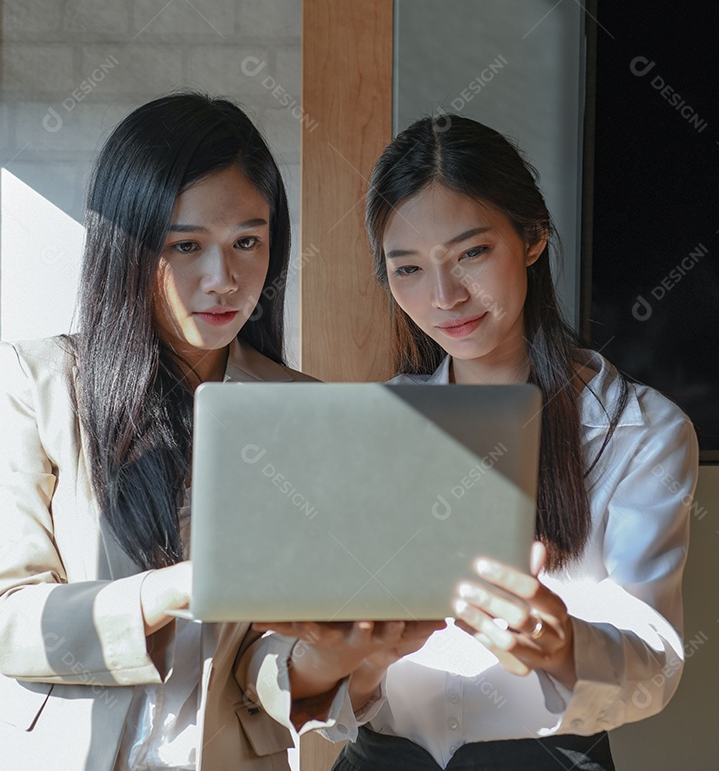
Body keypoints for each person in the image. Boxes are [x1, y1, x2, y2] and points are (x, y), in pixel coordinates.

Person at [0, 91, 394, 770]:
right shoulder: (35, 382)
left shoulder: (300, 411)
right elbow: (7, 621)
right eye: (186, 245)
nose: (223, 279)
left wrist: (347, 653)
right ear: (129, 244)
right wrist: (177, 588)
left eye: (247, 243)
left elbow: (267, 661)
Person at [290, 114, 697, 770]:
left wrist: (563, 644)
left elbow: (655, 664)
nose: (445, 295)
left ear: (532, 237)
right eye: (409, 268)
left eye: (471, 254)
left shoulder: (639, 430)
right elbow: (345, 685)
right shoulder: (377, 424)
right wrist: (359, 654)